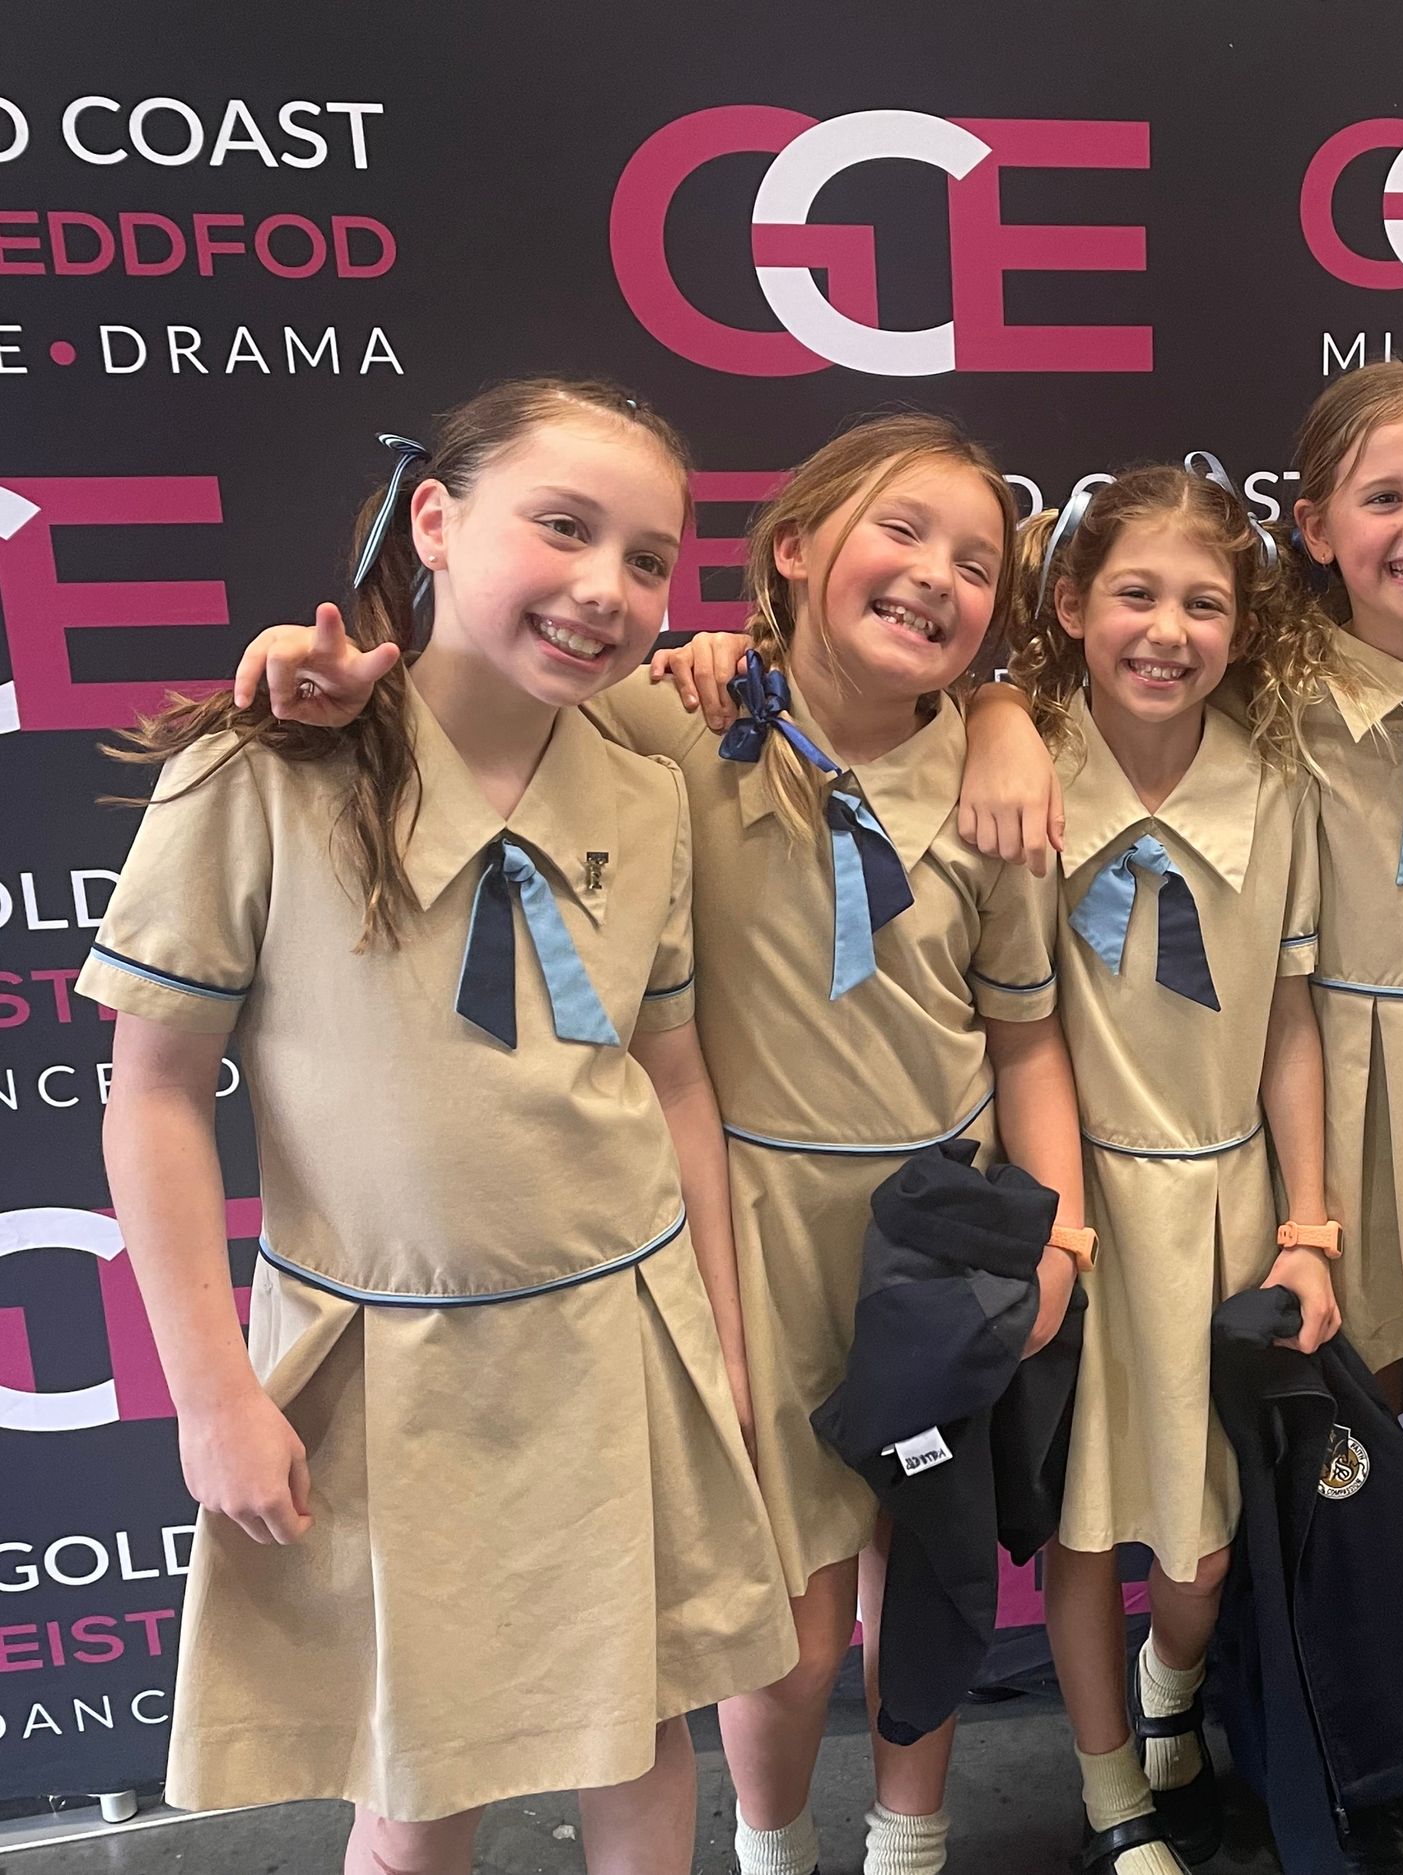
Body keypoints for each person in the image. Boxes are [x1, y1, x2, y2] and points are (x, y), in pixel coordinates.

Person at [233, 412, 1087, 1875]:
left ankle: (913, 1841)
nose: (937, 577)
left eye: (977, 563)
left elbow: (1023, 1035)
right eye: (899, 532)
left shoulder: (998, 780)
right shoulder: (666, 721)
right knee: (783, 1629)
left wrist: (1056, 1229)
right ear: (794, 548)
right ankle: (771, 1847)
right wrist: (298, 676)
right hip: (741, 1229)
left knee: (934, 1573)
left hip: (939, 1233)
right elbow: (476, 699)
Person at [92, 379, 796, 1875]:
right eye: (563, 527)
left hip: (622, 1338)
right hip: (396, 1371)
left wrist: (723, 1347)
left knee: (645, 1729)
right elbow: (152, 1093)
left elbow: (673, 1080)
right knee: (417, 1781)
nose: (605, 589)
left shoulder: (644, 797)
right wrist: (212, 1395)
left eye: (650, 559)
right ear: (434, 519)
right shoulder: (264, 767)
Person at [956, 362, 1403, 1875]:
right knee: (1298, 1462)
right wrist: (992, 705)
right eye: (1383, 497)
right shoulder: (1266, 683)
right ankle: (1272, 1730)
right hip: (1273, 1121)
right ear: (1314, 528)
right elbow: (1046, 683)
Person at [1009, 460, 1342, 1873]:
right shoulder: (1020, 770)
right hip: (1078, 1207)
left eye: (1204, 604)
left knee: (1198, 1550)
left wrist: (1310, 1225)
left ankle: (1173, 1685)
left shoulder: (1273, 787)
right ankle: (1113, 1798)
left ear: (1242, 627)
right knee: (1087, 1532)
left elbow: (1289, 1020)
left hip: (1224, 1206)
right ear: (1072, 606)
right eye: (1135, 594)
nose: (1168, 631)